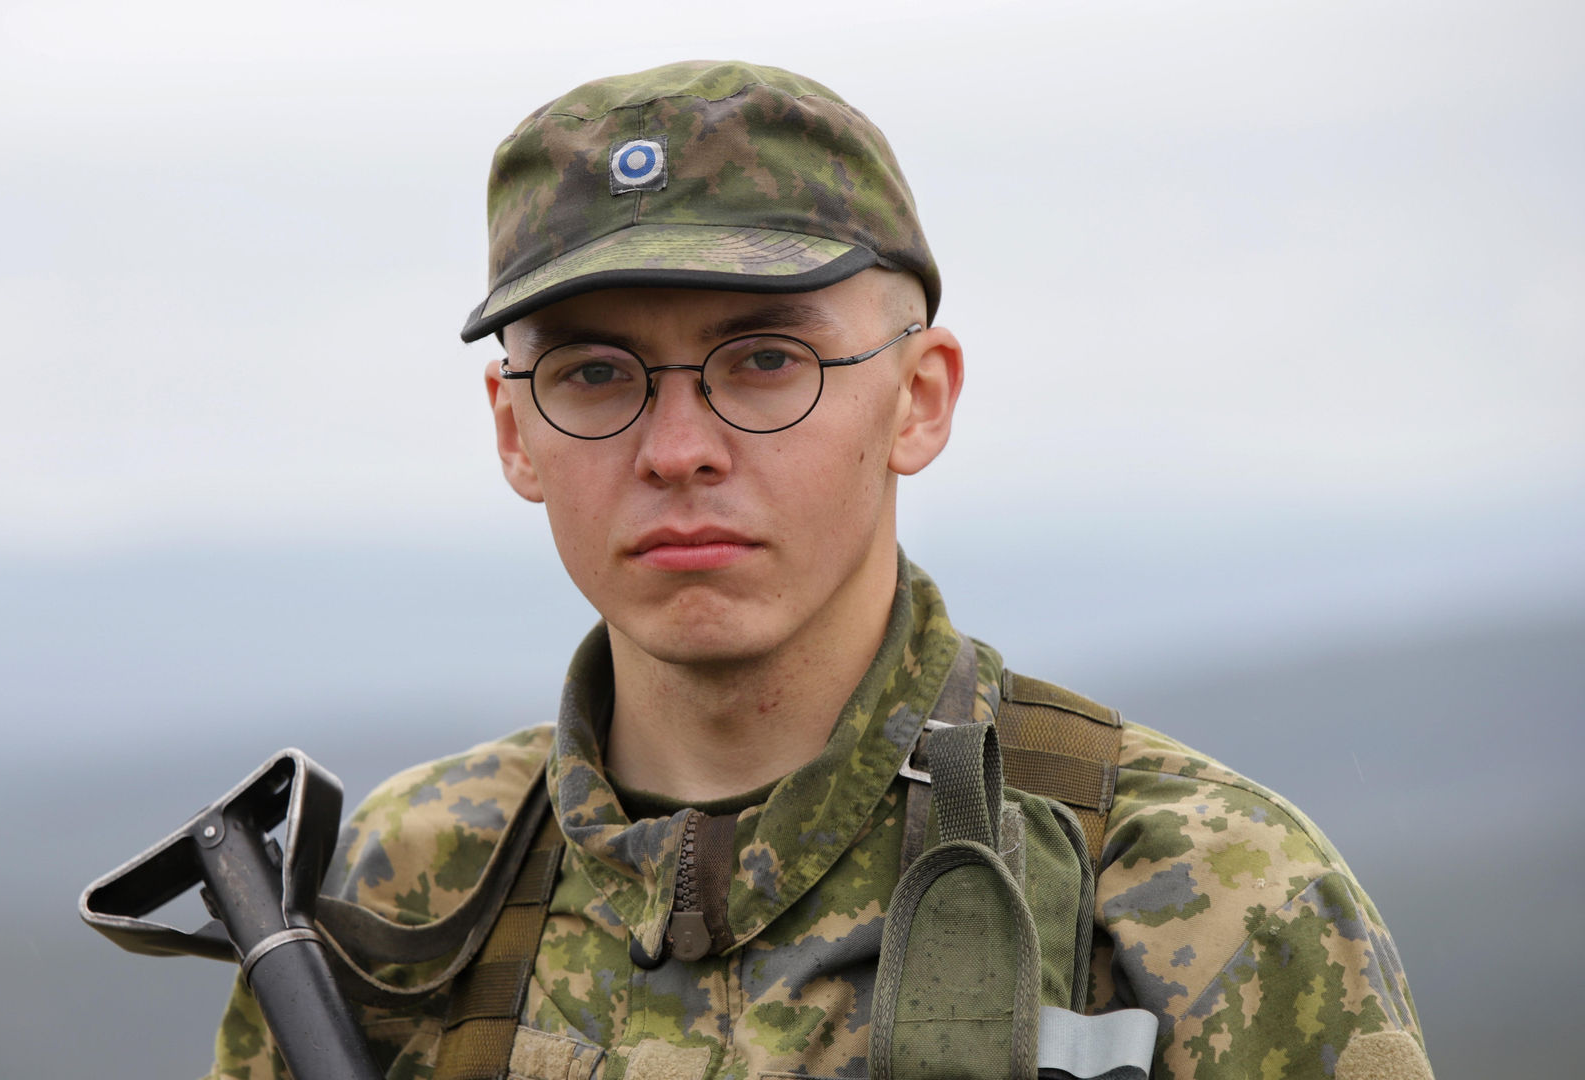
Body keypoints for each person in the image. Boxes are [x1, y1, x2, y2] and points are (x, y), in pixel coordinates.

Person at [205, 60, 1431, 1080]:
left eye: (764, 361)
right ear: (514, 432)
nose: (677, 450)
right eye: (594, 374)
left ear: (919, 400)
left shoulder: (1199, 895)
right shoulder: (405, 889)